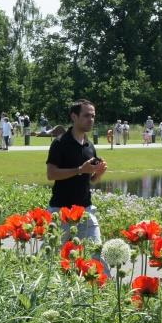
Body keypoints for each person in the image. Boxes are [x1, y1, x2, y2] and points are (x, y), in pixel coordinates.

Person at [46, 99, 108, 244]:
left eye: (93, 116)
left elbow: (90, 179)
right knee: (50, 259)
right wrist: (80, 169)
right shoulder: (60, 143)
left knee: (96, 255)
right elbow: (51, 174)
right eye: (86, 116)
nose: (91, 120)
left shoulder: (89, 146)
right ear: (74, 116)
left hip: (85, 210)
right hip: (60, 211)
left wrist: (98, 173)